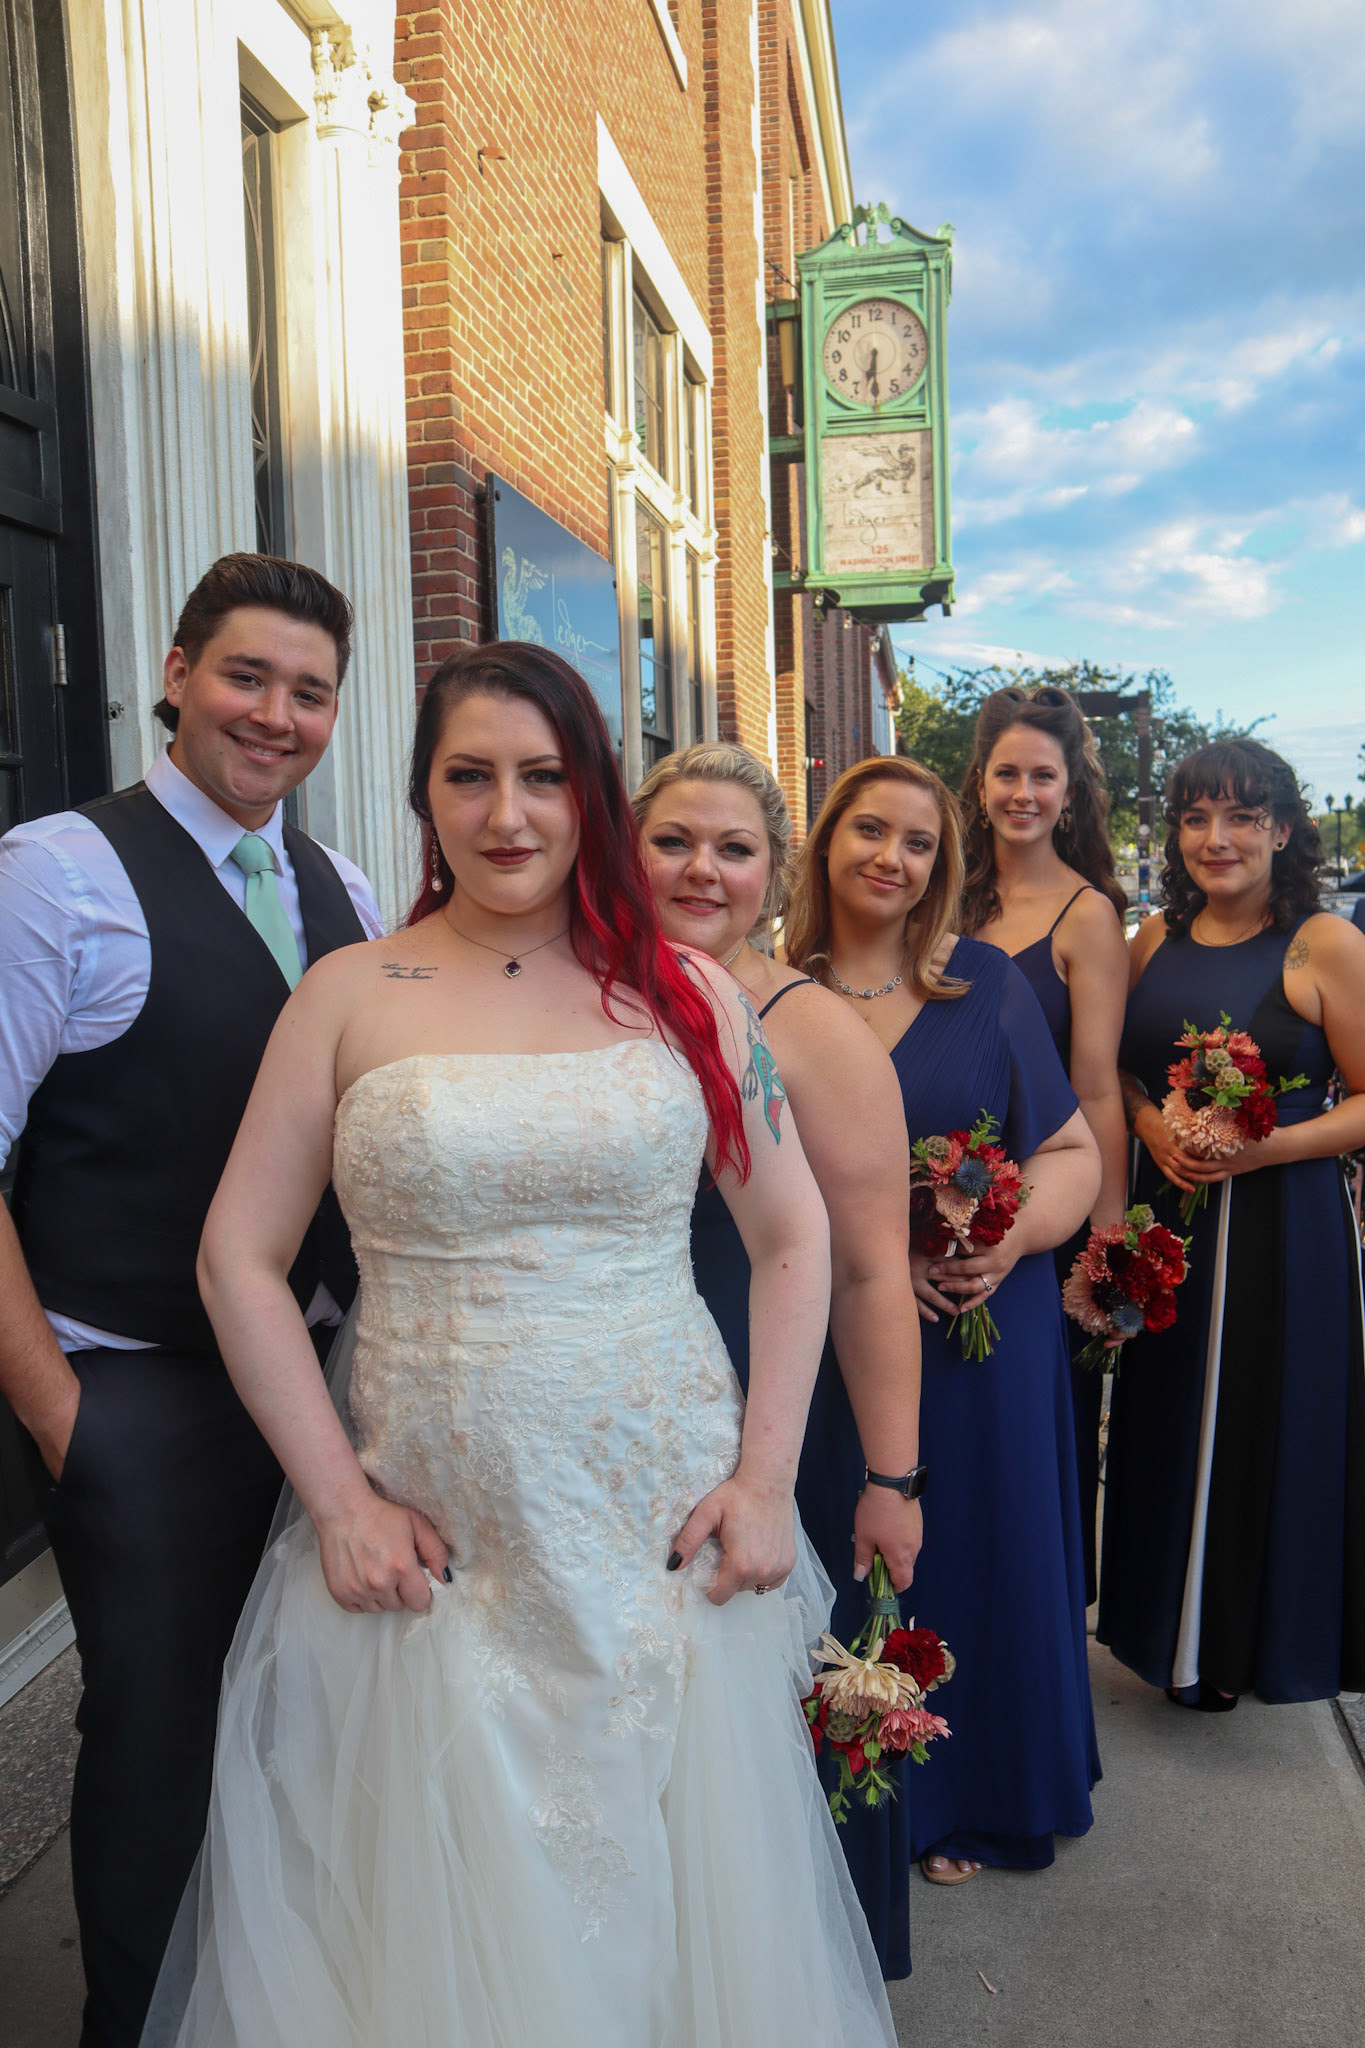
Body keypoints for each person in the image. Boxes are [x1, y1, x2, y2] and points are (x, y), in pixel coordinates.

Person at [146, 645, 897, 2047]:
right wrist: (339, 1502)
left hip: (655, 1528)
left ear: (591, 792)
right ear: (422, 794)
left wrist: (765, 1478)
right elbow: (235, 1260)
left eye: (543, 777)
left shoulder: (688, 991)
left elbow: (796, 1237)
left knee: (666, 1893)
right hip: (432, 1543)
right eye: (469, 776)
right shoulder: (346, 993)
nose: (507, 815)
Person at [0, 554, 381, 2048]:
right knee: (158, 1740)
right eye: (246, 676)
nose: (276, 715)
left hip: (325, 1382)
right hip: (139, 1384)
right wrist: (65, 1415)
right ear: (175, 675)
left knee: (305, 1721)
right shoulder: (55, 874)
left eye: (310, 692)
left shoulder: (345, 890)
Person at [784, 756, 1102, 1885]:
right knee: (853, 1552)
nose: (892, 857)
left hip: (979, 1331)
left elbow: (1069, 1149)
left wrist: (1003, 1242)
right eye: (870, 830)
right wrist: (867, 1255)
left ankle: (973, 1795)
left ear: (941, 865)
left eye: (918, 842)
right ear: (826, 841)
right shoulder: (771, 988)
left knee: (978, 1552)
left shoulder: (986, 982)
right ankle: (859, 1797)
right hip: (833, 1337)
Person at [634, 740, 923, 1978]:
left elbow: (867, 1275)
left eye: (734, 848)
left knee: (770, 1724)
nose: (702, 868)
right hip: (622, 1416)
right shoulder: (583, 990)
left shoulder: (815, 1032)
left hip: (782, 1421)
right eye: (672, 840)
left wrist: (892, 1479)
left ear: (774, 874)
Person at [1101, 738, 1365, 1707]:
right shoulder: (1151, 939)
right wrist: (1146, 1126)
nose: (1216, 838)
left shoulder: (1321, 944)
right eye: (1196, 818)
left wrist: (1264, 1149)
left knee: (1266, 1423)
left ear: (1282, 830)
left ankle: (1246, 1651)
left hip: (1284, 1228)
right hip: (1168, 1215)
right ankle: (1164, 1636)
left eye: (1242, 817)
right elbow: (1114, 1068)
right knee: (1164, 1415)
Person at [959, 685, 1130, 1603]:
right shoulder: (944, 892)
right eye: (1006, 773)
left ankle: (1041, 1615)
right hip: (935, 1197)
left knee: (1041, 1427)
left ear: (1069, 792)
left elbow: (1096, 1086)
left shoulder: (1086, 915)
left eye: (1042, 776)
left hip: (1043, 1209)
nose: (1022, 793)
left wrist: (1104, 1240)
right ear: (979, 781)